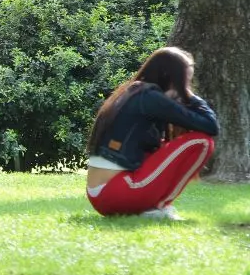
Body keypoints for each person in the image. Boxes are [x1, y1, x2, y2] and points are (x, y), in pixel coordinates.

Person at [85, 46, 219, 220]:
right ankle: (160, 207)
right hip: (116, 192)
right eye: (184, 82)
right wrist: (190, 96)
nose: (185, 87)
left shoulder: (135, 92)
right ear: (170, 78)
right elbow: (210, 126)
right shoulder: (149, 98)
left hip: (101, 195)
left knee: (165, 146)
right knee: (201, 141)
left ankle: (151, 208)